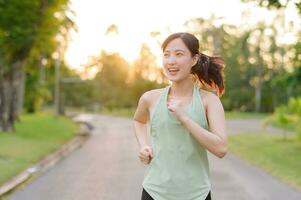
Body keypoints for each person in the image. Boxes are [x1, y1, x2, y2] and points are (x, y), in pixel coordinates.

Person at [133, 32, 227, 200]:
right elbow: (139, 120)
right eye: (167, 55)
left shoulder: (209, 101)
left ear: (194, 59)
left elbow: (220, 149)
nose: (171, 61)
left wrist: (184, 118)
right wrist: (143, 145)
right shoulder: (150, 98)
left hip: (196, 194)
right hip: (154, 192)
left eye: (179, 54)